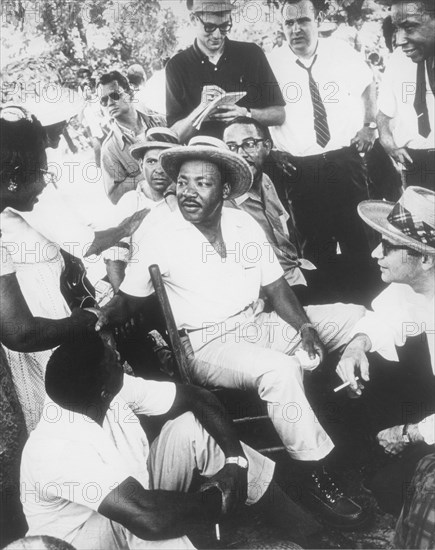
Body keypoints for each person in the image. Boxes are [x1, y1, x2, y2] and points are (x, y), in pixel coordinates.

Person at [96, 140, 368, 528]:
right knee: (280, 371)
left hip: (258, 323)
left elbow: (276, 288)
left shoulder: (243, 223)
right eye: (183, 182)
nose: (188, 191)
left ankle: (363, 431)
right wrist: (99, 318)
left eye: (202, 183)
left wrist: (304, 326)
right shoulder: (162, 235)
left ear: (224, 190)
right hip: (208, 344)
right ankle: (314, 476)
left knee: (353, 317)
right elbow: (126, 301)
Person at [21, 333, 314, 549]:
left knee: (192, 429)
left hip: (133, 500)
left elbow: (198, 398)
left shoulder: (99, 390)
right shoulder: (55, 448)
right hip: (81, 542)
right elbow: (150, 519)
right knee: (149, 526)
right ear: (102, 390)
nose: (120, 359)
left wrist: (234, 464)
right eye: (113, 361)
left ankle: (306, 530)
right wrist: (217, 498)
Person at [0, 106, 103, 546]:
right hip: (35, 340)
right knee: (51, 427)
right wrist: (88, 321)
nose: (45, 182)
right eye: (42, 172)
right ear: (13, 176)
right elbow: (20, 333)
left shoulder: (15, 214)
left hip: (47, 330)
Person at [267, 0, 378, 297]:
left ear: (317, 20)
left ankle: (370, 307)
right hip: (300, 168)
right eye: (289, 23)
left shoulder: (340, 53)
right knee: (314, 248)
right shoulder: (271, 64)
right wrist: (272, 150)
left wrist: (369, 126)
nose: (296, 29)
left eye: (302, 21)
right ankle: (329, 311)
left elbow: (368, 85)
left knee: (359, 237)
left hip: (344, 159)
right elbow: (262, 112)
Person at [336, 186, 435, 514]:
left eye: (388, 246)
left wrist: (409, 434)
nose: (375, 253)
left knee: (400, 495)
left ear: (425, 258)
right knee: (388, 487)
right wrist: (355, 348)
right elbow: (385, 318)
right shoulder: (417, 285)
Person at [165, 0, 286, 143]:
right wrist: (201, 110)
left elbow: (279, 115)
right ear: (193, 19)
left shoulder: (252, 54)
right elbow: (174, 136)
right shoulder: (177, 66)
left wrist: (246, 114)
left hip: (249, 156)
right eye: (209, 27)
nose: (217, 35)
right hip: (204, 158)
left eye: (224, 27)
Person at [222, 117, 315, 292]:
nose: (240, 154)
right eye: (232, 147)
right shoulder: (224, 201)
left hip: (296, 274)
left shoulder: (266, 181)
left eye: (249, 144)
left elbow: (284, 232)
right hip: (270, 290)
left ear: (267, 146)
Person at [104, 128, 179, 293]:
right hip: (144, 293)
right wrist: (125, 304)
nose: (159, 169)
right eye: (152, 161)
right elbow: (114, 260)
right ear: (140, 164)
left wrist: (172, 197)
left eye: (165, 162)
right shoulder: (131, 201)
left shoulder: (185, 200)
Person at [377, 0, 435, 191]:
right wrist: (388, 142)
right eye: (397, 28)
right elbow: (384, 112)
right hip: (413, 161)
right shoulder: (398, 59)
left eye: (409, 27)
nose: (400, 40)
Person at [99, 71, 166, 204]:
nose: (110, 103)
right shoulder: (110, 149)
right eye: (104, 100)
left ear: (130, 93)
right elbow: (114, 195)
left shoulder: (161, 122)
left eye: (114, 95)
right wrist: (144, 176)